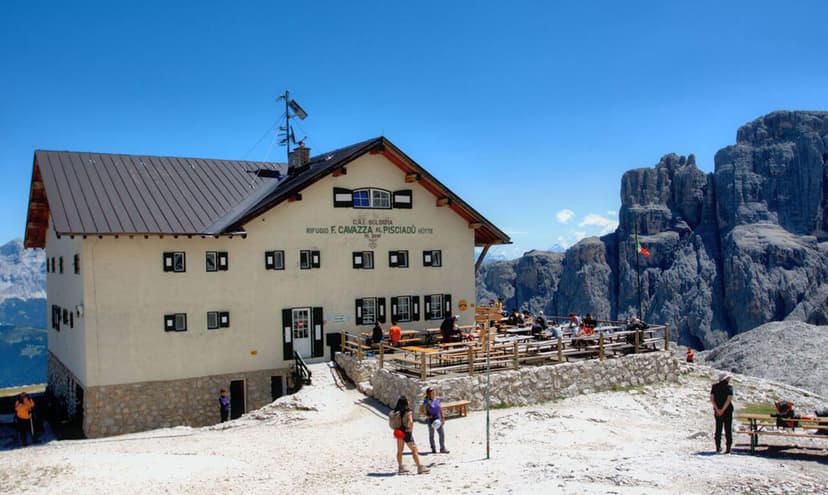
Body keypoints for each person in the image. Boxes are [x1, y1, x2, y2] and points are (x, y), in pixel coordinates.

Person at [393, 396, 429, 474]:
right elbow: (411, 422)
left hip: (399, 433)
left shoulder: (396, 412)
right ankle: (419, 467)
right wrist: (410, 430)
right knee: (414, 450)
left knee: (399, 451)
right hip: (406, 433)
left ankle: (401, 467)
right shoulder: (408, 412)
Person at [420, 387, 450, 454]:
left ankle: (442, 448)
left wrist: (443, 417)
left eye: (434, 392)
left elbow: (440, 409)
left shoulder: (437, 400)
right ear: (429, 394)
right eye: (432, 392)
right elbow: (421, 410)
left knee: (441, 434)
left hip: (438, 419)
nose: (434, 393)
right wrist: (427, 416)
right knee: (432, 435)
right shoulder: (426, 401)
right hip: (431, 420)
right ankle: (433, 448)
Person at [710, 373, 734, 454]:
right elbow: (729, 399)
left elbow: (712, 399)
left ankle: (718, 446)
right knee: (728, 428)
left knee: (718, 428)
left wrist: (717, 410)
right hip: (727, 410)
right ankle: (728, 447)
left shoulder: (714, 387)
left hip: (717, 410)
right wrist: (723, 410)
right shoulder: (729, 387)